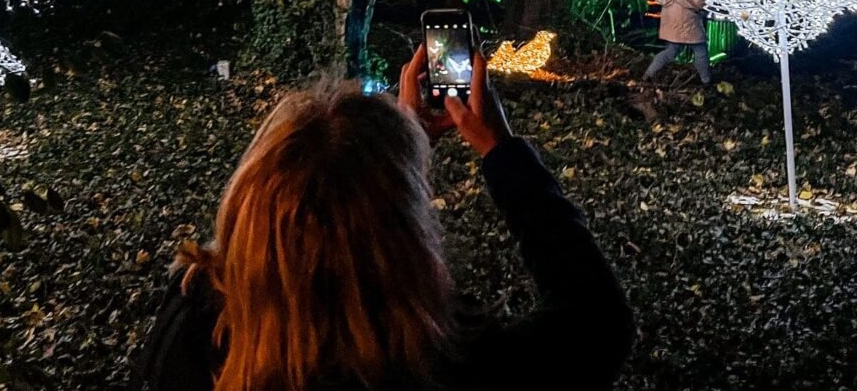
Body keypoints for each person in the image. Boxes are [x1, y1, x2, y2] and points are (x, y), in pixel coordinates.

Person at [131, 48, 634, 391]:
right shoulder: (442, 366)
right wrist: (500, 151)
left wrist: (400, 145)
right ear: (404, 235)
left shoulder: (192, 329)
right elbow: (598, 322)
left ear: (248, 200)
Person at [644, 0, 712, 86]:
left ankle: (649, 74)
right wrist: (707, 2)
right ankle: (706, 80)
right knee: (700, 50)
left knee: (671, 51)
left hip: (670, 17)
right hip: (686, 19)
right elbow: (698, 1)